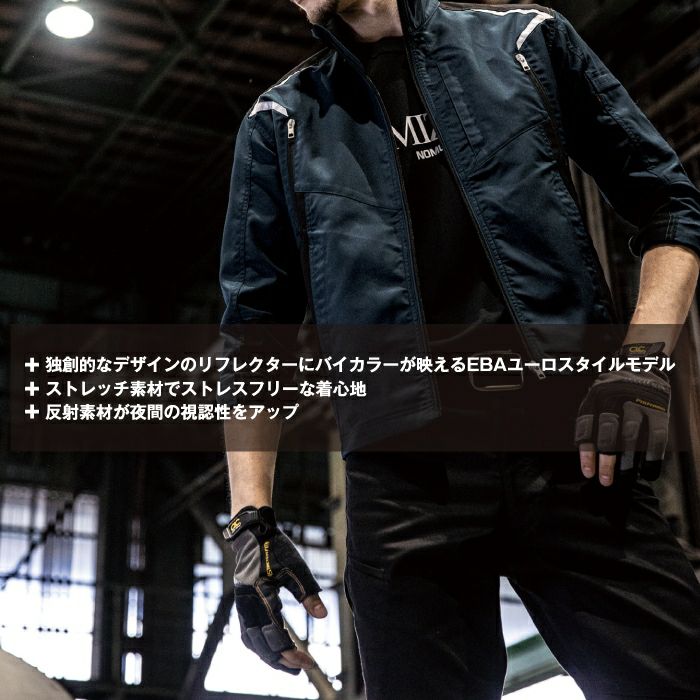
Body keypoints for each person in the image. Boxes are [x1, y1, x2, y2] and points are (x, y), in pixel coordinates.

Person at [218, 1, 700, 698]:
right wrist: (250, 525)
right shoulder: (281, 121)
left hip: (575, 454)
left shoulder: (528, 44)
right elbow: (254, 334)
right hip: (403, 484)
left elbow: (669, 204)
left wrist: (642, 359)